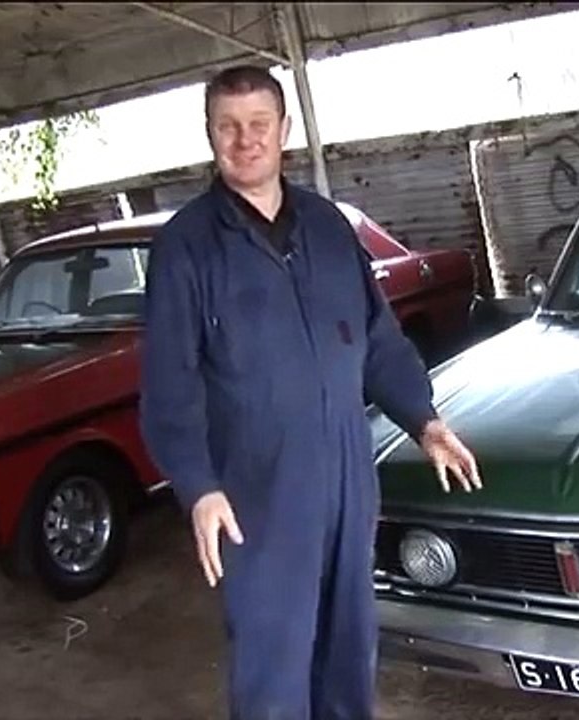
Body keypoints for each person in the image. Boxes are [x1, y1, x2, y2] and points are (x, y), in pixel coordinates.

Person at [138, 64, 482, 720]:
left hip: (348, 472)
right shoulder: (186, 247)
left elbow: (377, 338)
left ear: (284, 130)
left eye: (258, 124)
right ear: (210, 136)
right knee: (274, 656)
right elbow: (168, 383)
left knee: (349, 645)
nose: (245, 140)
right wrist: (199, 487)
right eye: (228, 127)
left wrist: (425, 421)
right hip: (256, 489)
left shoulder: (328, 228)